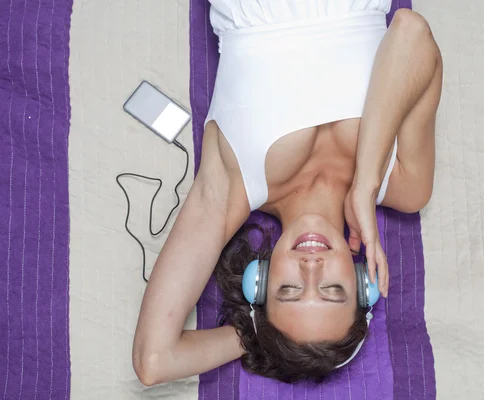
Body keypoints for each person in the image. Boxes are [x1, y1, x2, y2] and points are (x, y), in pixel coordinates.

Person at [132, 0, 442, 386]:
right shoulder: (405, 184)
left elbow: (154, 360)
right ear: (366, 284)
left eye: (289, 289)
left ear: (257, 281)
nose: (311, 268)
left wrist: (259, 333)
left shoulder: (231, 190)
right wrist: (364, 185)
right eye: (332, 289)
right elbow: (411, 32)